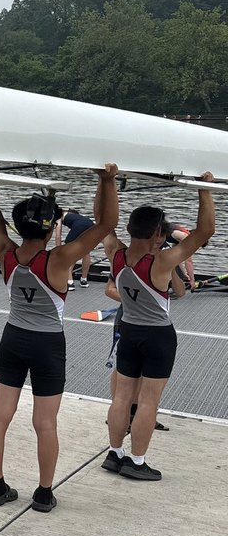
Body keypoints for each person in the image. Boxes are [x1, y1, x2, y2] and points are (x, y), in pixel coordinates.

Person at [0, 165, 118, 513]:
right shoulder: (60, 258)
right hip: (48, 345)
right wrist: (106, 181)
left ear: (20, 225)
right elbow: (106, 226)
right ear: (51, 227)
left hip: (12, 339)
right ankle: (44, 494)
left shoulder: (6, 252)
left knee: (1, 414)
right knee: (45, 422)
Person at [102, 182, 215, 480]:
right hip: (158, 337)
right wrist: (205, 190)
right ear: (157, 235)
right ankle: (137, 462)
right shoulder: (163, 260)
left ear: (129, 227)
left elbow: (103, 219)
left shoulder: (115, 253)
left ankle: (114, 453)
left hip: (129, 331)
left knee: (122, 397)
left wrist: (106, 182)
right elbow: (204, 233)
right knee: (149, 400)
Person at [103, 279, 171, 434]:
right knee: (123, 368)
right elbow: (109, 289)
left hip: (155, 320)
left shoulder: (164, 260)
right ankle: (119, 413)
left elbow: (180, 292)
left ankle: (137, 413)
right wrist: (138, 302)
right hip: (128, 317)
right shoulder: (125, 258)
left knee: (144, 367)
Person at [55, 208, 97, 287]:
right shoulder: (77, 217)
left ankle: (70, 282)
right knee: (86, 252)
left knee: (69, 253)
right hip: (91, 224)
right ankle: (84, 280)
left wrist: (58, 250)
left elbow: (58, 236)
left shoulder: (58, 217)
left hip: (79, 226)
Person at [161, 221, 197, 289]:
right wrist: (192, 281)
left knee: (171, 259)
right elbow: (189, 262)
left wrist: (184, 274)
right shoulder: (186, 238)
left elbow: (177, 258)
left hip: (160, 235)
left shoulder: (180, 238)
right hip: (154, 234)